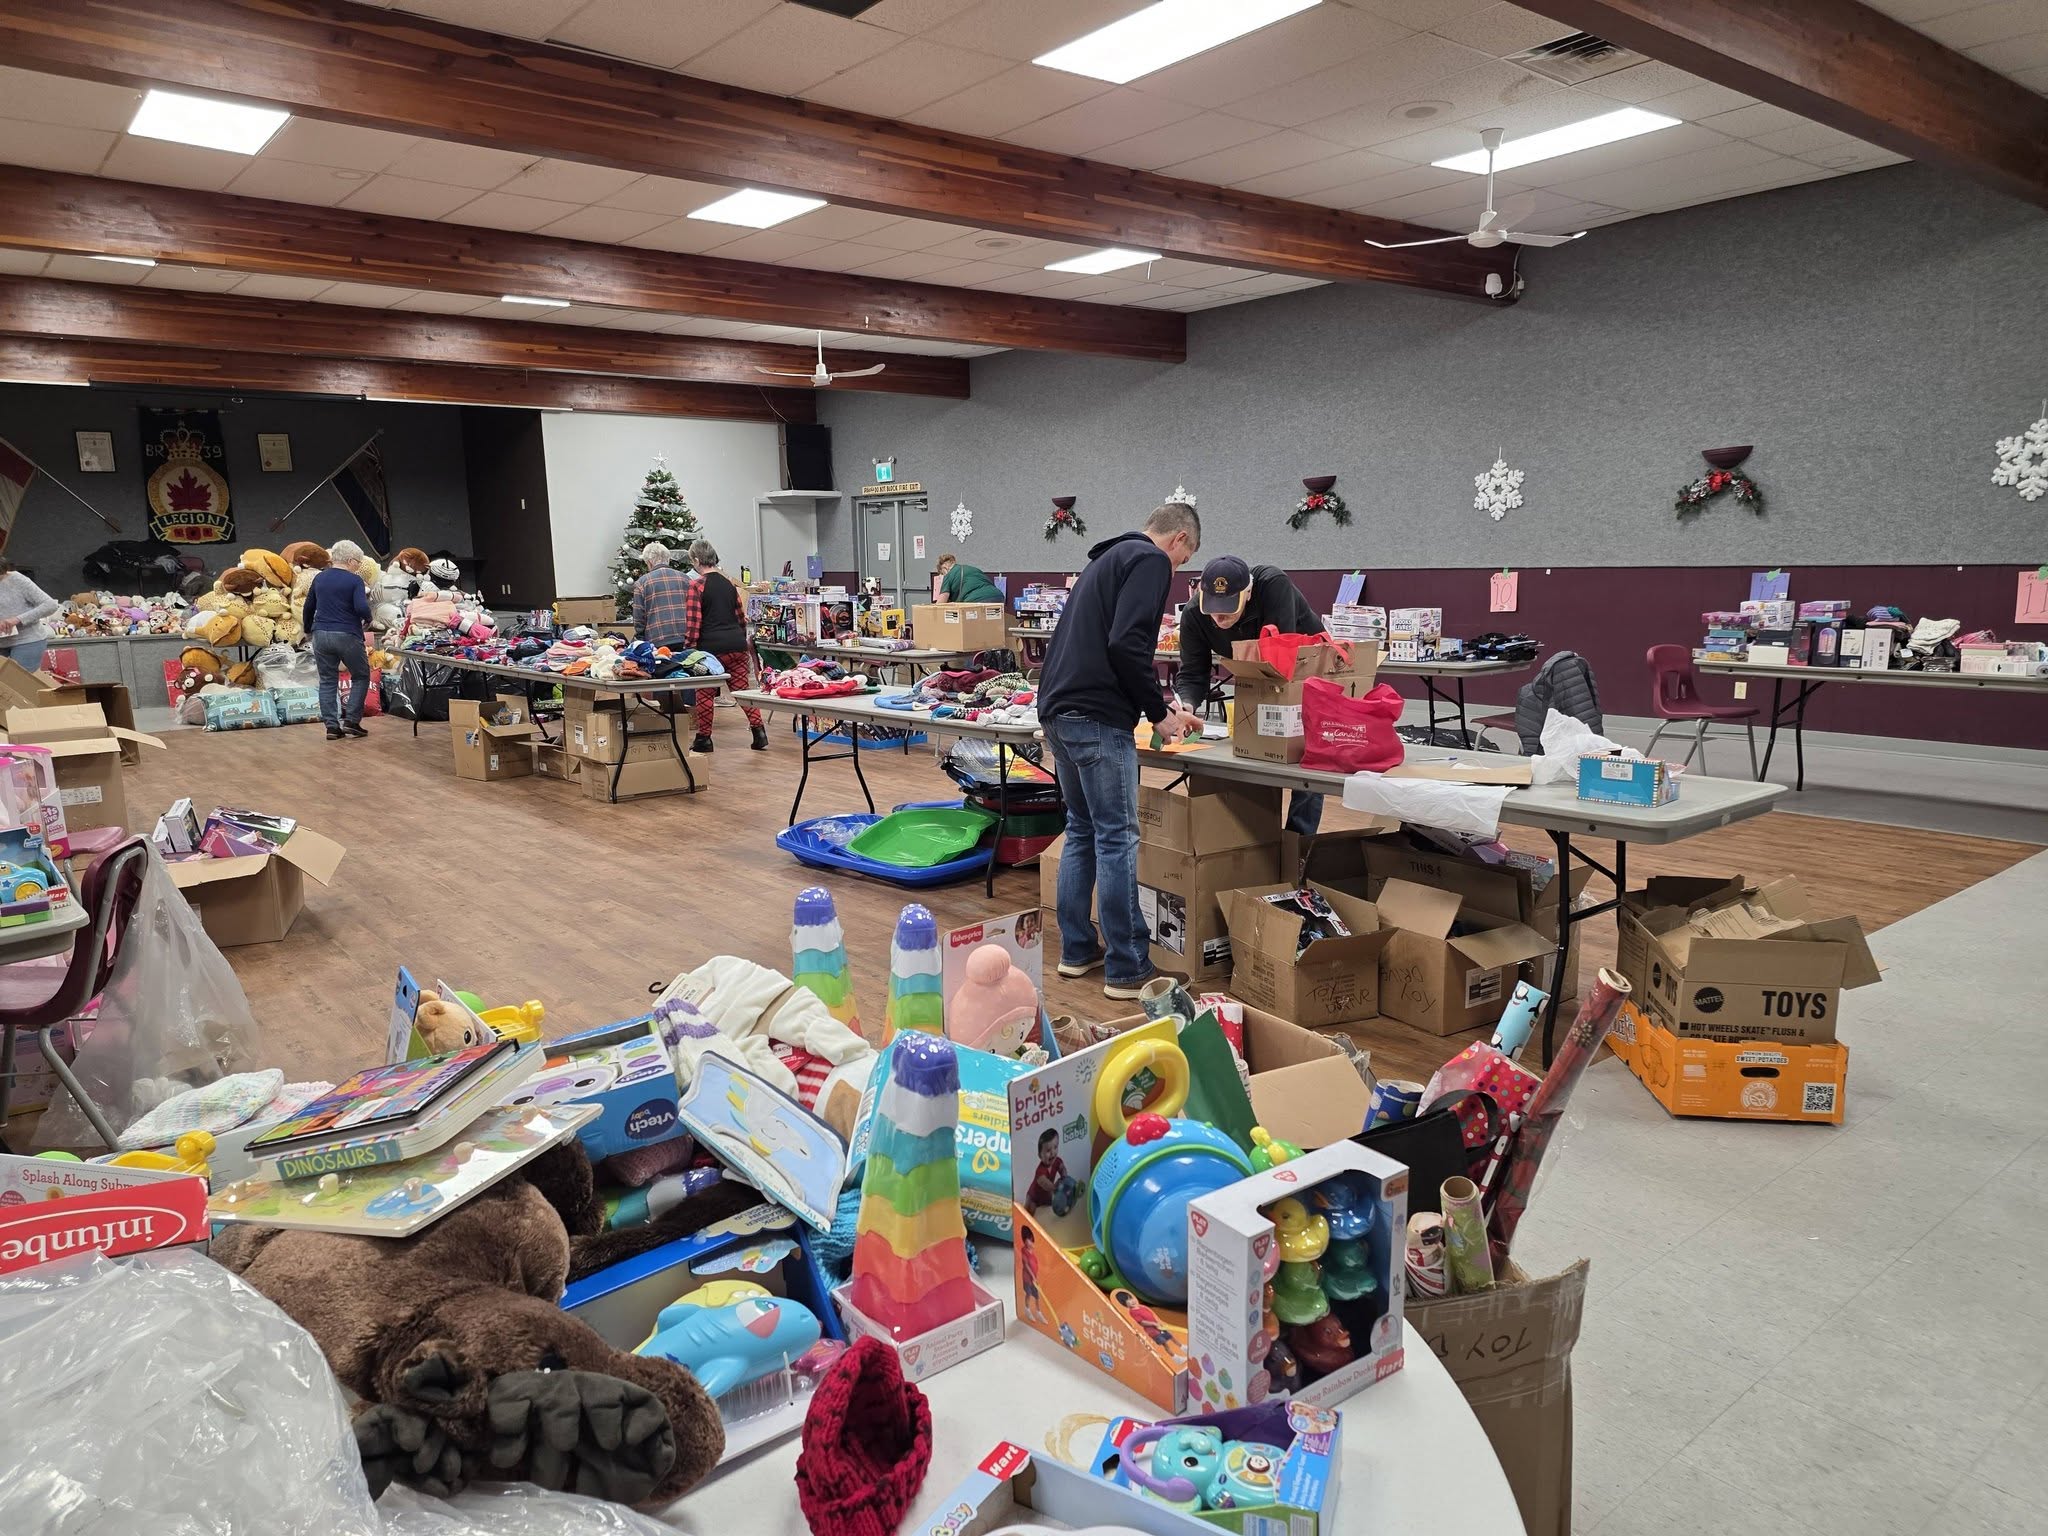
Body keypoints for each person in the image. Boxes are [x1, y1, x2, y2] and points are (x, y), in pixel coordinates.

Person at [1037, 503, 1204, 1000]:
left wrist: (1162, 706)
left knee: (1082, 830)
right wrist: (1158, 712)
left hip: (1058, 712)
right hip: (1096, 717)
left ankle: (1076, 950)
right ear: (1178, 539)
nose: (1177, 570)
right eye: (1184, 560)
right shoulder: (1150, 560)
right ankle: (1128, 966)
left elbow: (1108, 646)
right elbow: (1127, 646)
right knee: (1115, 837)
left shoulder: (1105, 560)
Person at [1175, 555, 1327, 838]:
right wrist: (1187, 705)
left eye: (1227, 610)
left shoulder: (1273, 585)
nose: (1219, 619)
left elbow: (1280, 653)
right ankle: (1258, 839)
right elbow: (1193, 672)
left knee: (1307, 756)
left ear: (1247, 591)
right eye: (1213, 610)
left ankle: (1299, 843)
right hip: (1259, 673)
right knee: (1254, 753)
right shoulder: (1195, 613)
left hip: (1304, 667)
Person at [681, 538, 766, 753]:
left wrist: (689, 648)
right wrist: (739, 640)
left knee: (704, 693)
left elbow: (693, 622)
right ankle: (759, 731)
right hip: (736, 645)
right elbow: (740, 617)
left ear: (697, 560)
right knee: (742, 691)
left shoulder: (697, 585)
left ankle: (704, 739)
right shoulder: (729, 584)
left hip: (711, 649)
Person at [306, 539, 374, 740]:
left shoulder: (319, 578)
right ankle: (351, 721)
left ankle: (332, 727)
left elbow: (309, 606)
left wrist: (308, 628)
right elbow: (361, 607)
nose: (358, 566)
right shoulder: (354, 580)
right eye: (358, 562)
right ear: (351, 561)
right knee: (361, 675)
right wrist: (368, 618)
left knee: (327, 680)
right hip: (347, 634)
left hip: (320, 634)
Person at [0, 558, 62, 674]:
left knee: (17, 680)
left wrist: (18, 619)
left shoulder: (17, 579)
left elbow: (50, 605)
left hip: (27, 640)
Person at [934, 553, 1002, 604]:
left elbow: (941, 602)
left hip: (977, 600)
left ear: (944, 568)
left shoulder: (949, 574)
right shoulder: (973, 569)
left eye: (942, 573)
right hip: (998, 597)